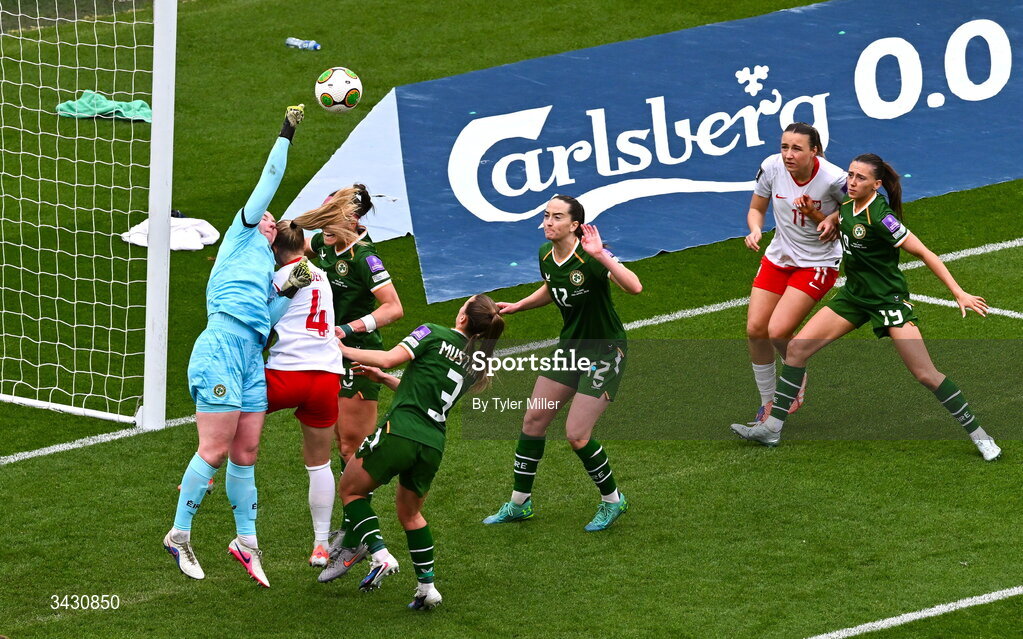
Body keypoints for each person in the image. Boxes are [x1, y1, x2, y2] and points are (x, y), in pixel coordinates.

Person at [731, 153, 1000, 462]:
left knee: (926, 374)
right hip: (855, 298)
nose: (852, 181)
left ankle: (980, 435)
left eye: (860, 177)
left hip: (887, 301)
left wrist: (958, 292)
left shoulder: (883, 218)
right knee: (796, 350)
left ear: (877, 184)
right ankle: (772, 427)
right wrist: (818, 217)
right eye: (850, 175)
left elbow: (925, 253)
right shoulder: (846, 207)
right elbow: (840, 229)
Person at [163, 105, 310, 588]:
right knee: (215, 447)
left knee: (246, 452)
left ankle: (246, 543)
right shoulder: (242, 234)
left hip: (249, 356)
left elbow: (265, 326)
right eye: (266, 214)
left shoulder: (266, 274)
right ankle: (179, 533)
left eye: (273, 220)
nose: (270, 217)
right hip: (220, 347)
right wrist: (286, 130)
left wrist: (288, 290)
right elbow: (270, 177)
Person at [317, 295, 506, 611]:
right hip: (432, 444)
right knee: (411, 514)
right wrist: (385, 380)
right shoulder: (477, 362)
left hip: (401, 431)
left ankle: (379, 554)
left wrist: (343, 349)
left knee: (351, 490)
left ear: (463, 317)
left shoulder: (431, 331)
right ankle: (427, 588)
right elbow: (426, 391)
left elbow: (390, 357)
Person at [482, 194, 642, 532]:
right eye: (546, 216)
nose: (547, 223)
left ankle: (613, 501)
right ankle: (519, 504)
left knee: (576, 435)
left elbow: (634, 287)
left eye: (556, 217)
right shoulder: (545, 254)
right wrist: (520, 306)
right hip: (570, 348)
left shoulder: (592, 257)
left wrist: (602, 255)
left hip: (605, 352)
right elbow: (552, 287)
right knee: (533, 421)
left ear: (575, 225)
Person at [743, 122, 847, 424]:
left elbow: (860, 206)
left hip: (818, 263)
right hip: (779, 257)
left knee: (778, 331)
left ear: (814, 151)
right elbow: (756, 208)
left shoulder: (832, 178)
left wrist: (833, 218)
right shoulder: (771, 168)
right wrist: (754, 230)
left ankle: (795, 367)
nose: (788, 154)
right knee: (755, 330)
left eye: (796, 148)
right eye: (784, 146)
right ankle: (768, 402)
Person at [306, 187, 403, 502]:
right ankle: (354, 524)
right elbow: (299, 252)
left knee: (352, 448)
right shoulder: (324, 242)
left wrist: (347, 329)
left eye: (331, 219)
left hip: (358, 357)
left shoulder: (365, 257)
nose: (324, 227)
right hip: (325, 356)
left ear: (354, 220)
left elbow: (393, 308)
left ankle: (362, 531)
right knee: (338, 442)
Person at [264, 219, 350, 568]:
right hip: (326, 375)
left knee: (228, 412)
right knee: (319, 463)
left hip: (286, 373)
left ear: (274, 250)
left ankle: (205, 475)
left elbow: (262, 322)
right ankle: (319, 545)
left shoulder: (277, 278)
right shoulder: (322, 275)